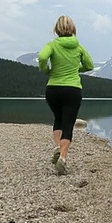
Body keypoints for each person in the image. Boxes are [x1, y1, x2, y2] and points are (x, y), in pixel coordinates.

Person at [38, 15, 94, 175]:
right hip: (72, 90)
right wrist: (77, 69)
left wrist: (46, 70)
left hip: (53, 89)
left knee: (58, 119)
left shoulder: (52, 45)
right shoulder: (79, 47)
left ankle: (57, 146)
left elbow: (42, 57)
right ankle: (62, 157)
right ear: (73, 29)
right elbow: (89, 65)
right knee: (68, 124)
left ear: (56, 29)